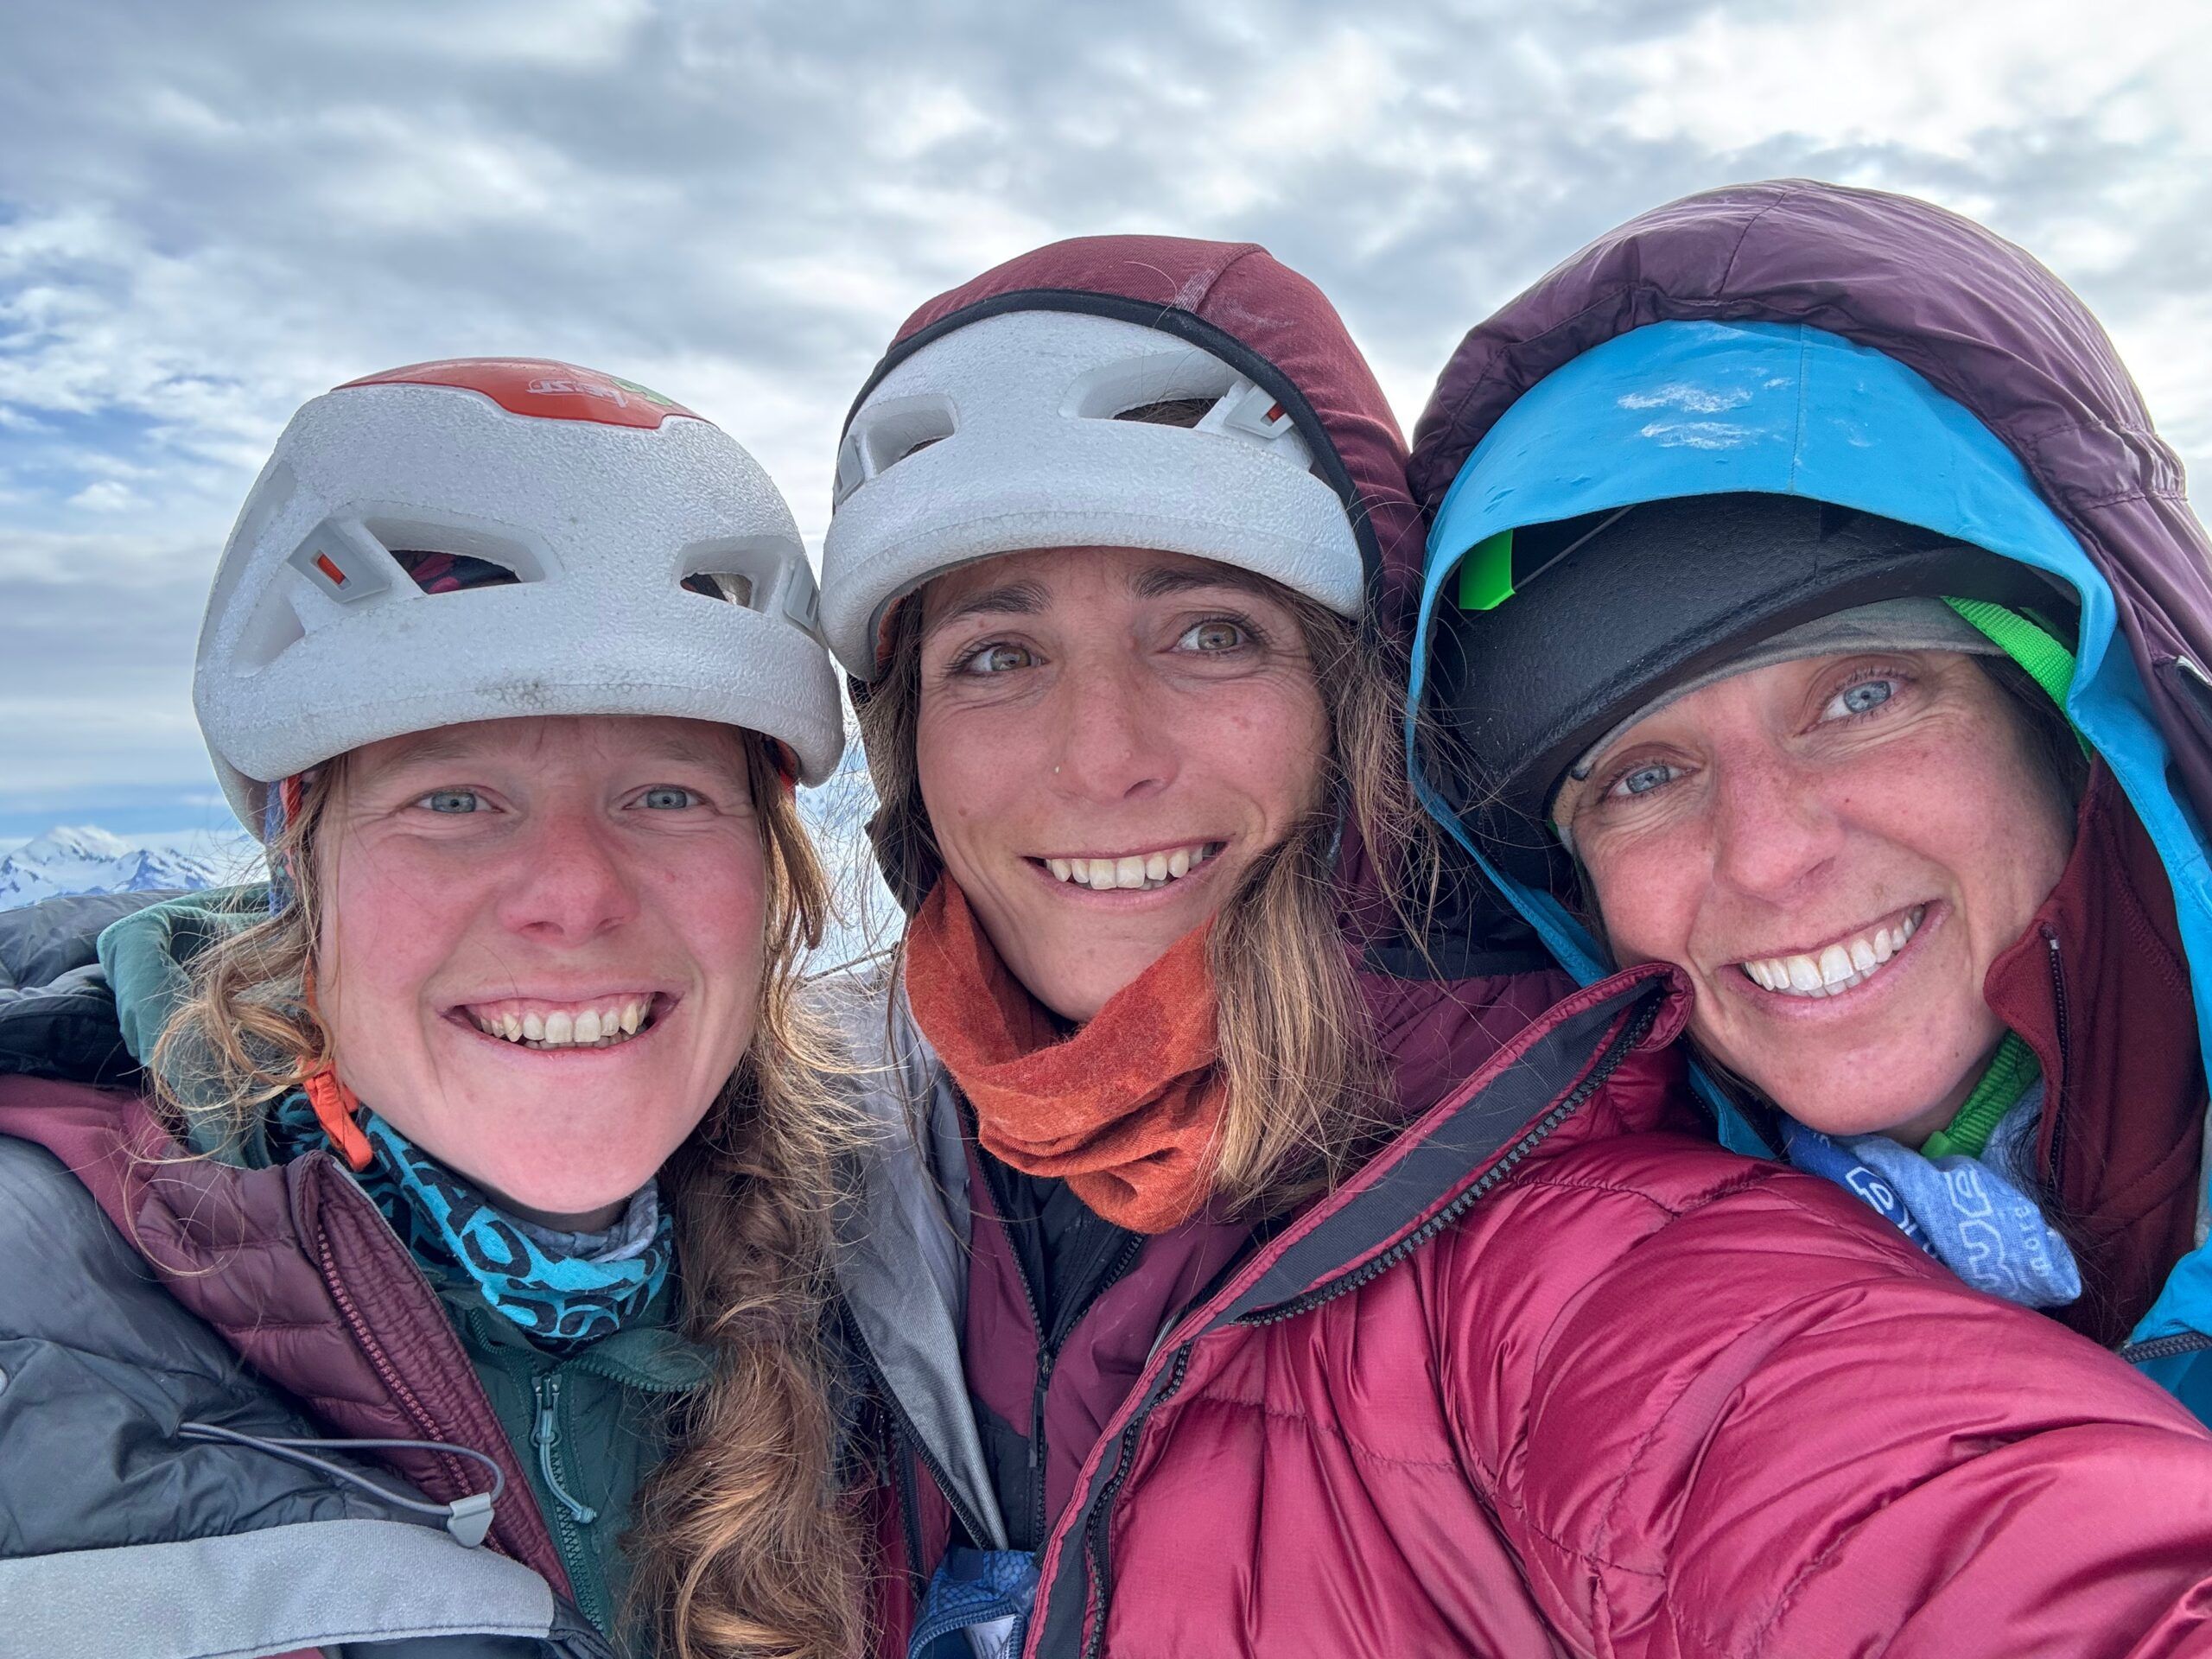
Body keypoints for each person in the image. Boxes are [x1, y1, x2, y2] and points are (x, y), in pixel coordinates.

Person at [820, 234, 2212, 1659]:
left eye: (1212, 634)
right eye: (996, 655)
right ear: (908, 757)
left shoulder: (1557, 1247)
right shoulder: (813, 1198)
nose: (1099, 756)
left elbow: (1917, 1521)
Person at [0, 359, 862, 1658]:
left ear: (772, 872)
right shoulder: (35, 1321)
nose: (574, 897)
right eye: (455, 798)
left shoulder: (896, 1275)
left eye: (669, 794)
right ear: (306, 864)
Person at [1409, 180, 2212, 1408]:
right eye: (1645, 776)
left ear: (2067, 729)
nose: (1771, 855)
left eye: (1863, 697)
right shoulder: (1587, 1357)